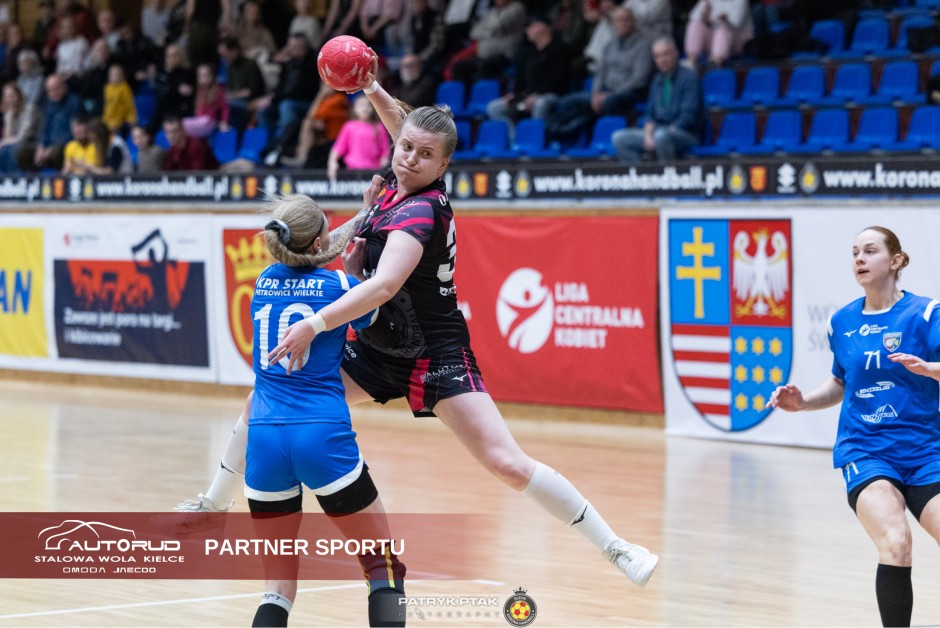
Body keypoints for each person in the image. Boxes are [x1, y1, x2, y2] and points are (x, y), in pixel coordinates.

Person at [172, 56, 660, 590]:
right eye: (405, 147)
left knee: (506, 463)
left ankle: (617, 548)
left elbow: (382, 287)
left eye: (426, 156)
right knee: (263, 399)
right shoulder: (392, 186)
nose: (410, 159)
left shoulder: (420, 211)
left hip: (436, 353)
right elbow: (401, 130)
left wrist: (315, 322)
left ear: (443, 166)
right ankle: (212, 504)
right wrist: (372, 86)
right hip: (378, 351)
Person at [766, 226, 940, 628]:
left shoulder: (926, 314)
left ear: (895, 261)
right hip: (867, 451)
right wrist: (804, 401)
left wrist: (932, 370)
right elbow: (842, 383)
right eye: (854, 252)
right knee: (896, 542)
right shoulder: (841, 321)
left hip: (926, 452)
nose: (859, 259)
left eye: (870, 251)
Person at [245, 193, 405, 627]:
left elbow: (310, 248)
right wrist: (355, 265)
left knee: (277, 588)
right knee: (381, 565)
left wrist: (361, 213)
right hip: (321, 436)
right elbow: (370, 317)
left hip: (262, 441)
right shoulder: (341, 287)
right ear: (319, 243)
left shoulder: (262, 281)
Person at [547, 6, 652, 146]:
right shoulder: (610, 45)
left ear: (634, 22)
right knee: (568, 102)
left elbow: (640, 78)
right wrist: (595, 94)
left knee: (610, 102)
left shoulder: (643, 45)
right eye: (619, 20)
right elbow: (600, 72)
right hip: (605, 93)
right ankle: (562, 140)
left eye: (626, 20)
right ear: (614, 24)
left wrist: (610, 94)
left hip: (630, 93)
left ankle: (607, 142)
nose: (623, 23)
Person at [611, 36, 702, 162]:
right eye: (657, 56)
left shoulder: (689, 78)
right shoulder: (656, 80)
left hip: (686, 134)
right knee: (619, 138)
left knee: (661, 137)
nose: (661, 60)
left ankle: (668, 177)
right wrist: (648, 136)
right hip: (658, 132)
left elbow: (688, 117)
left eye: (665, 54)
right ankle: (638, 177)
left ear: (675, 53)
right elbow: (650, 115)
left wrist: (664, 132)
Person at [484, 15, 570, 136]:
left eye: (531, 26)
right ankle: (516, 141)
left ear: (543, 27)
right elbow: (522, 81)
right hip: (528, 97)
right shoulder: (529, 54)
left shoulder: (560, 49)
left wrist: (536, 95)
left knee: (540, 103)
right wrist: (515, 94)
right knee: (494, 108)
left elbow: (558, 79)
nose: (527, 30)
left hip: (552, 95)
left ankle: (536, 140)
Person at [326, 94, 389, 180]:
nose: (365, 108)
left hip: (373, 172)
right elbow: (338, 148)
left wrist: (384, 162)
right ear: (354, 108)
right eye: (361, 105)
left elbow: (385, 149)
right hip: (352, 170)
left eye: (368, 105)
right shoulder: (349, 126)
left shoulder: (379, 127)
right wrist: (332, 163)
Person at [684, 0, 753, 70]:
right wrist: (704, 17)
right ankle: (691, 60)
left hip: (735, 42)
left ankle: (715, 62)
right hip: (712, 40)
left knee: (724, 27)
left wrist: (722, 20)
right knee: (695, 24)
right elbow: (693, 16)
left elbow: (736, 22)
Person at [0, 83, 40, 173]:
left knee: (13, 150)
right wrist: (9, 118)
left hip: (32, 142)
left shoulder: (29, 109)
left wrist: (4, 142)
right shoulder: (9, 112)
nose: (10, 99)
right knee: (2, 151)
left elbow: (24, 136)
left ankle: (15, 178)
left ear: (19, 95)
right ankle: (3, 180)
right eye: (7, 97)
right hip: (16, 143)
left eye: (12, 96)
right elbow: (8, 137)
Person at [102, 63, 138, 134]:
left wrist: (132, 119)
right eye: (112, 74)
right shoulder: (107, 87)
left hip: (119, 120)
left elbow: (129, 104)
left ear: (122, 76)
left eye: (116, 74)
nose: (114, 77)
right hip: (107, 118)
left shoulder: (125, 88)